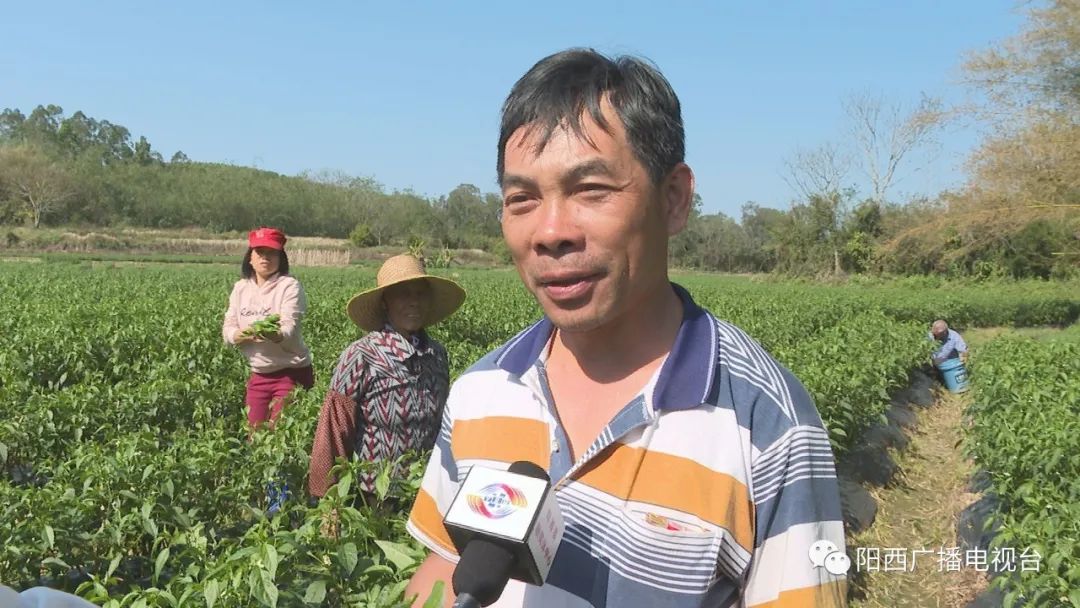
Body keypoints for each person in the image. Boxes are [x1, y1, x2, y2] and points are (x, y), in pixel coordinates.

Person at [404, 49, 848, 608]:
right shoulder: (481, 391)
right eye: (523, 198)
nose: (550, 231)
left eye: (591, 189)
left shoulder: (765, 422)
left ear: (674, 199)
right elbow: (446, 562)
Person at [307, 254, 465, 510]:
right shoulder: (362, 355)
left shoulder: (437, 355)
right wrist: (329, 503)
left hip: (426, 489)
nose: (413, 302)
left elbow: (442, 428)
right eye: (402, 294)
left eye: (420, 293)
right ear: (385, 303)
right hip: (375, 496)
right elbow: (334, 431)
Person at [221, 227, 314, 428]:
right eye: (260, 252)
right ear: (250, 258)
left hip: (292, 372)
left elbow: (289, 329)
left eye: (272, 253)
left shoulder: (289, 286)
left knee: (280, 434)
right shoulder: (240, 288)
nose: (265, 257)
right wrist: (239, 335)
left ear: (281, 257)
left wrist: (272, 333)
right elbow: (228, 328)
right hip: (259, 374)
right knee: (255, 435)